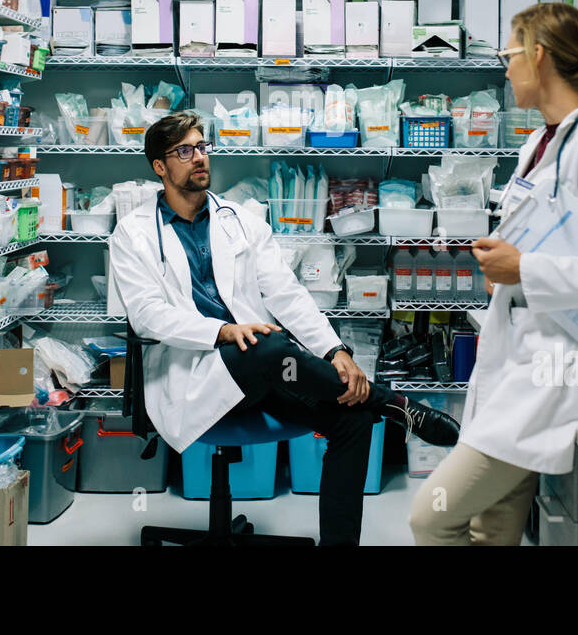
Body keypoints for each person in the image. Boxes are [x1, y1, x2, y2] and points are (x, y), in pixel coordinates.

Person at [110, 112, 459, 546]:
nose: (199, 158)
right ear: (159, 166)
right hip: (192, 375)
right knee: (268, 344)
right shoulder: (133, 233)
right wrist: (221, 332)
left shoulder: (241, 221)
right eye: (185, 151)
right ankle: (394, 402)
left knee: (354, 419)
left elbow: (287, 295)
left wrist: (336, 352)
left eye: (202, 147)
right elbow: (146, 314)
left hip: (264, 372)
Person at [409, 2, 578, 545]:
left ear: (539, 55)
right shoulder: (542, 141)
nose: (504, 70)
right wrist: (506, 260)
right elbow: (553, 236)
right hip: (521, 357)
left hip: (559, 370)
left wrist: (523, 267)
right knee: (492, 529)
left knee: (431, 519)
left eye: (510, 55)